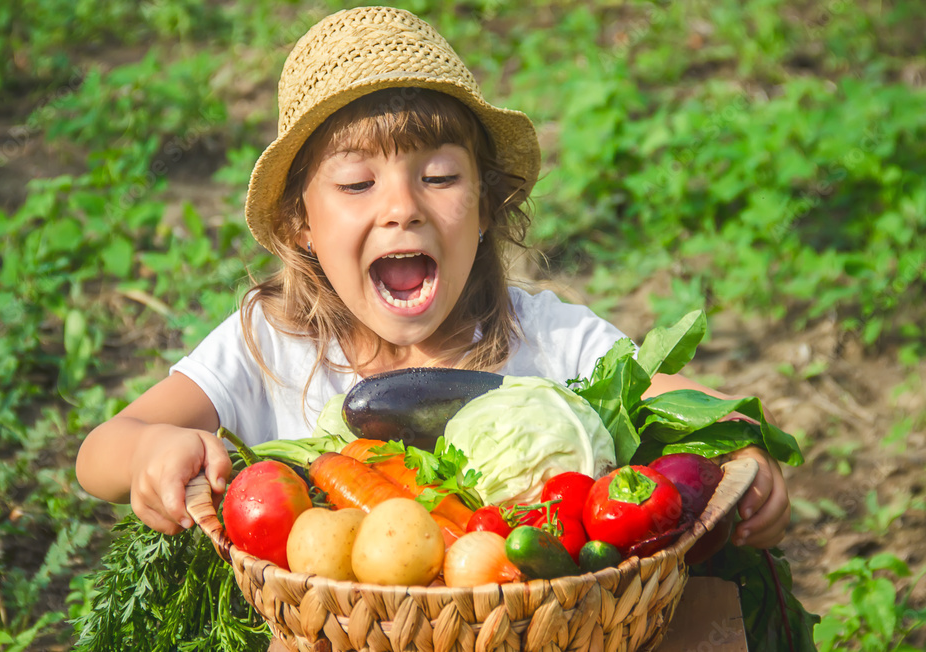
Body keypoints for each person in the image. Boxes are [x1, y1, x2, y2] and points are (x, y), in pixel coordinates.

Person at [75, 6, 789, 551]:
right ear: (301, 224)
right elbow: (98, 452)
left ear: (484, 205)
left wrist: (740, 444)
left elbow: (686, 404)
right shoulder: (272, 345)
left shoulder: (549, 340)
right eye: (356, 184)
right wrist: (148, 450)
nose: (402, 209)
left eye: (440, 177)